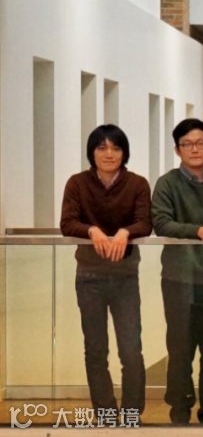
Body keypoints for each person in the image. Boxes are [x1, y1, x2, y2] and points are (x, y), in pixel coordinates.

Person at [60, 124, 152, 420]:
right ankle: (105, 413)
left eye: (115, 148)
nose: (109, 154)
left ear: (124, 153)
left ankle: (132, 413)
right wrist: (91, 230)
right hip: (89, 276)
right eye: (102, 148)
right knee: (96, 349)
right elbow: (67, 223)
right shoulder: (77, 183)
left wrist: (125, 232)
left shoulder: (137, 184)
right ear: (92, 152)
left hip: (126, 276)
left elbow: (145, 222)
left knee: (131, 349)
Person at [151, 118, 203, 424]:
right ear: (177, 149)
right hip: (180, 279)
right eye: (187, 144)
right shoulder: (167, 183)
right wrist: (199, 231)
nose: (195, 149)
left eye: (200, 143)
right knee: (180, 351)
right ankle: (179, 410)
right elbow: (161, 223)